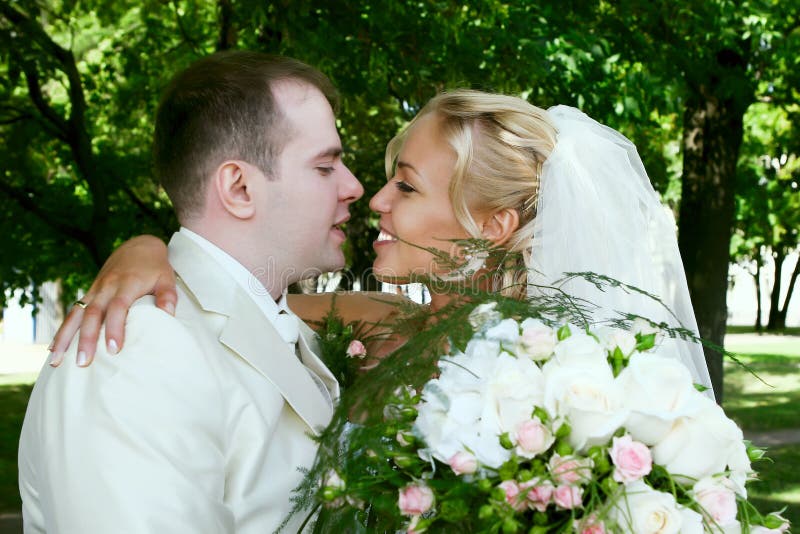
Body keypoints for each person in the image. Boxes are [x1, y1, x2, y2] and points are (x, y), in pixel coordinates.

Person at [49, 90, 713, 390]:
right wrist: (147, 248)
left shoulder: (572, 376)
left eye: (407, 185)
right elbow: (220, 302)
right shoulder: (370, 322)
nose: (374, 199)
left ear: (493, 227)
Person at [19, 51, 364, 533]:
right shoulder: (135, 347)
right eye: (326, 167)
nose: (354, 186)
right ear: (239, 188)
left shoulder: (280, 324)